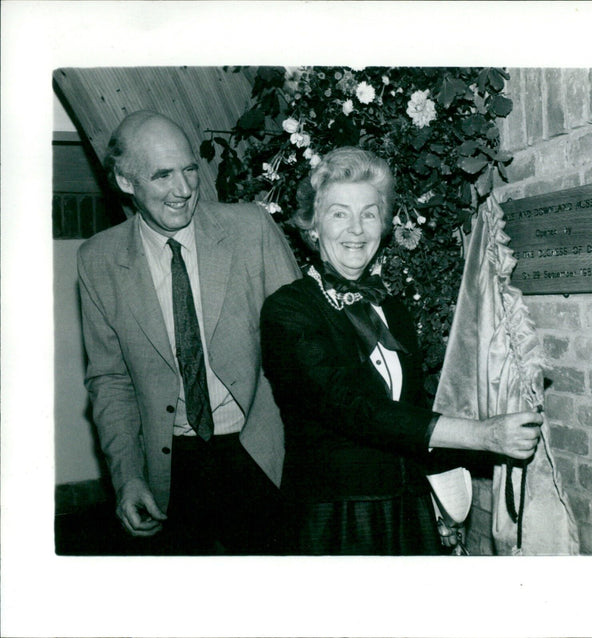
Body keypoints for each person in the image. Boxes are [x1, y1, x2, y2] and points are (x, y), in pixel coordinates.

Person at [260, 147, 542, 555]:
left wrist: (443, 499)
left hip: (407, 509)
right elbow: (350, 406)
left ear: (383, 225)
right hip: (336, 515)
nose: (356, 230)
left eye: (369, 214)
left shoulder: (392, 310)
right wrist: (482, 435)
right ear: (313, 225)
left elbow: (409, 410)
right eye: (339, 213)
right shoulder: (289, 309)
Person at [77, 110, 301, 554]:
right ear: (126, 182)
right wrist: (128, 477)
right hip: (170, 467)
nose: (183, 190)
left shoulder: (251, 228)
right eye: (162, 175)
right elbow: (110, 380)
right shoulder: (97, 260)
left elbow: (304, 344)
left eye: (189, 169)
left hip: (262, 451)